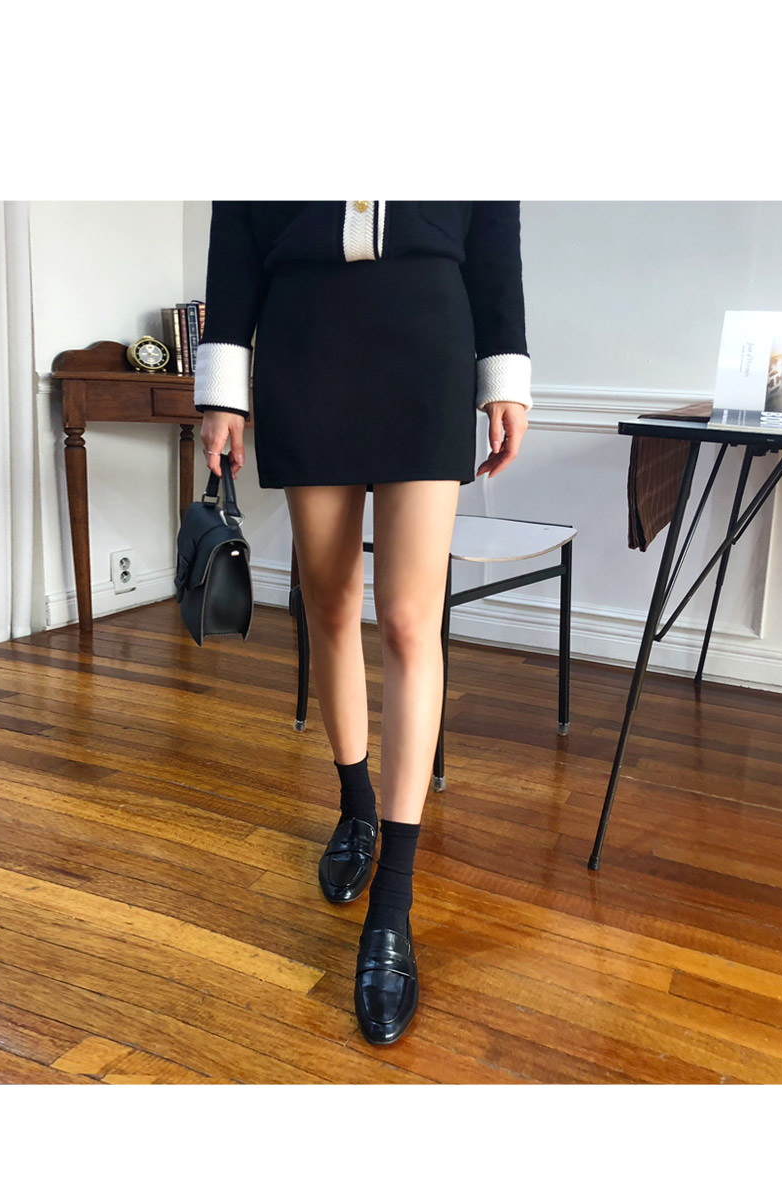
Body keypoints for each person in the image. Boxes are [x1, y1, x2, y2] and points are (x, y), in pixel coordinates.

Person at [193, 201, 532, 1045]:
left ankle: (394, 897)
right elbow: (235, 228)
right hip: (304, 337)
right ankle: (356, 806)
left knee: (411, 620)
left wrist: (504, 373)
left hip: (428, 335)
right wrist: (222, 388)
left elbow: (494, 222)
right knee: (330, 600)